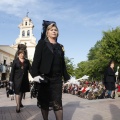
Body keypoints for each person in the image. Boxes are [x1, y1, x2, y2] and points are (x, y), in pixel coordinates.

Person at [32, 20, 70, 120]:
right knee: (44, 103)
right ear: (47, 32)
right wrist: (35, 75)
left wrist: (67, 77)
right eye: (51, 30)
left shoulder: (60, 47)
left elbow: (63, 64)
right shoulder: (42, 44)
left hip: (57, 79)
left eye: (55, 30)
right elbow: (36, 61)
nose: (54, 31)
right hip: (44, 78)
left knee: (57, 103)